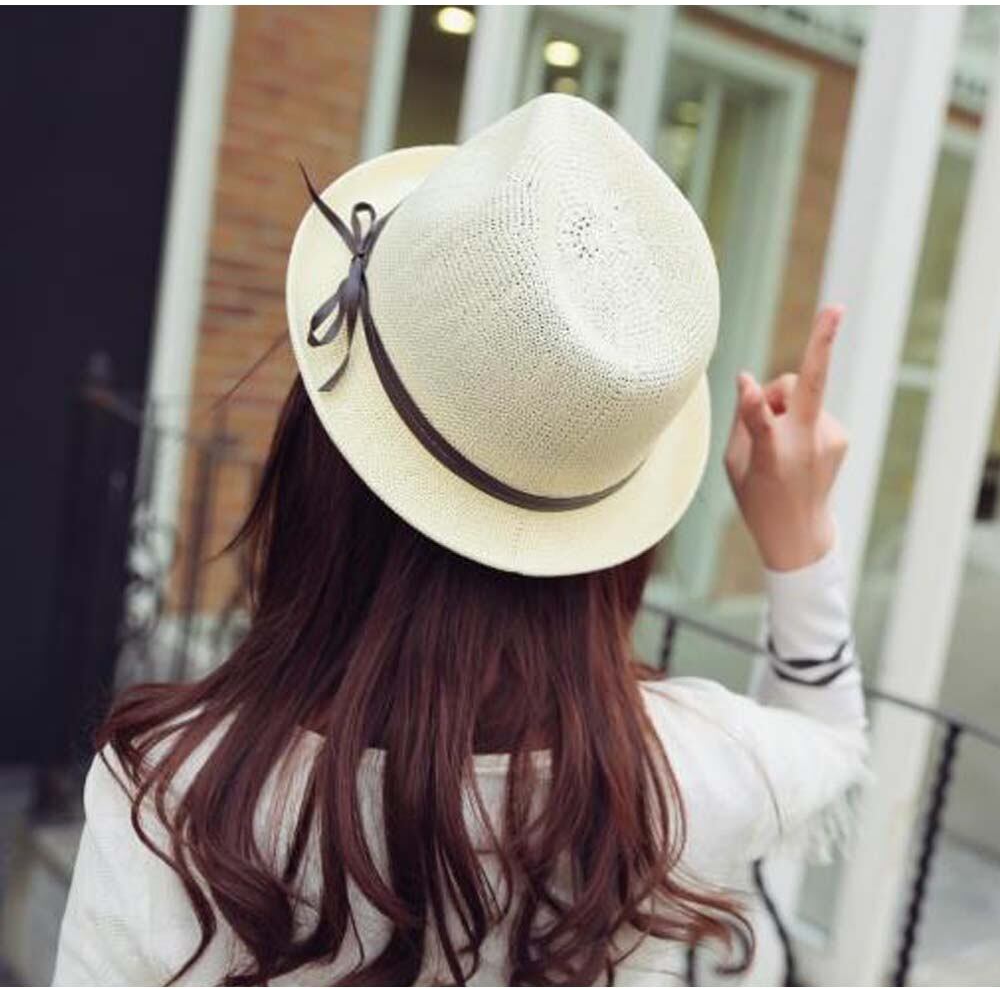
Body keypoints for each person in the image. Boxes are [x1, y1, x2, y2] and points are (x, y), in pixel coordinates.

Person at [52, 94, 867, 986]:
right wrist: (799, 537)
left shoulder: (171, 798)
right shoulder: (679, 776)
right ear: (607, 540)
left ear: (319, 459)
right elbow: (831, 741)